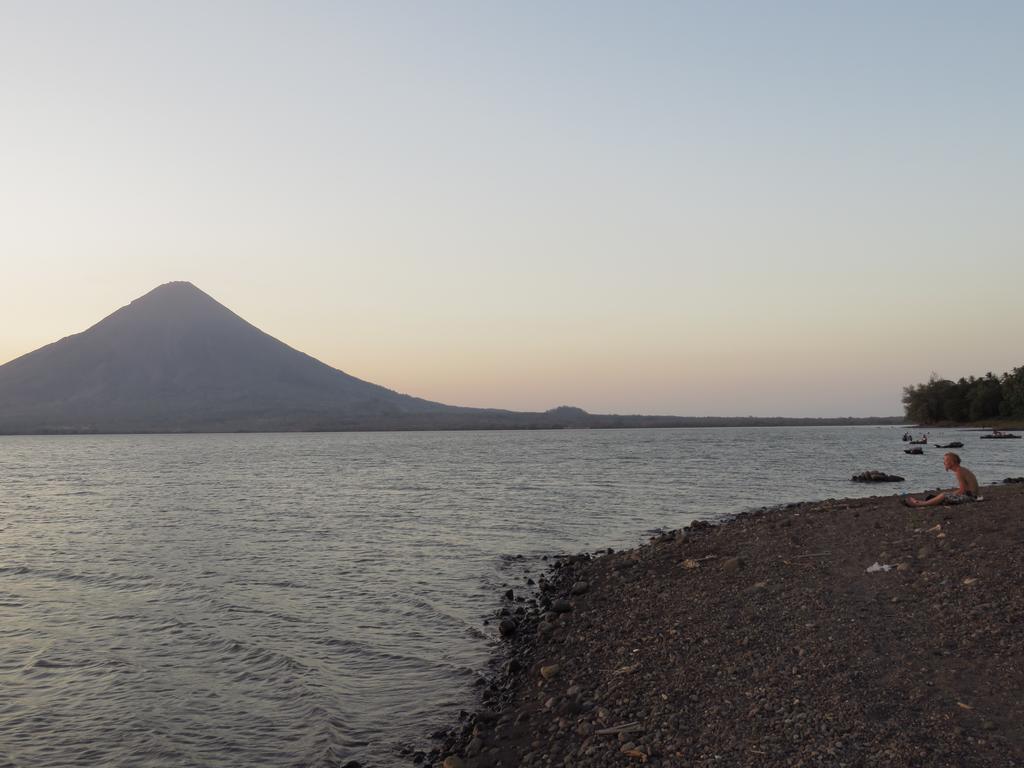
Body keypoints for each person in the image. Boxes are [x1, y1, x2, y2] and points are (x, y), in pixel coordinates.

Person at [904, 452, 979, 507]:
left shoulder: (959, 471)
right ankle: (921, 502)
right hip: (971, 496)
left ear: (952, 462)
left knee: (944, 495)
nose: (944, 463)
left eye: (946, 461)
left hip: (970, 498)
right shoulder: (960, 470)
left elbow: (962, 490)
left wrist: (949, 494)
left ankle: (921, 504)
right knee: (943, 496)